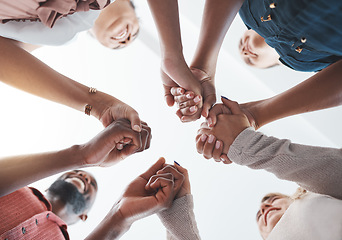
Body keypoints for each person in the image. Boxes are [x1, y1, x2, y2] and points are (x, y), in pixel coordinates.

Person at [146, 0, 342, 126]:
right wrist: (252, 115)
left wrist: (202, 64)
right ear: (280, 62)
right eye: (252, 60)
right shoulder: (314, 65)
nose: (245, 52)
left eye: (241, 48)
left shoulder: (246, 10)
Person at [196, 98, 342, 239]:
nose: (264, 207)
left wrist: (247, 145)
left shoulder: (316, 195)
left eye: (274, 199)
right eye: (260, 215)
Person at [0, 0, 139, 49]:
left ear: (93, 35)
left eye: (117, 47)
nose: (126, 40)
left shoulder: (62, 35)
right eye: (135, 33)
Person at [0, 170, 98, 239]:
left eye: (92, 184)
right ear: (47, 188)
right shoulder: (14, 186)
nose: (82, 175)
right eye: (75, 171)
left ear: (83, 216)